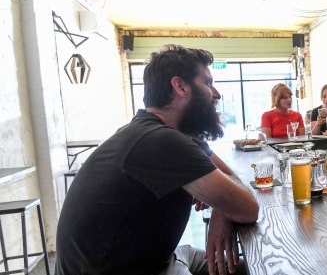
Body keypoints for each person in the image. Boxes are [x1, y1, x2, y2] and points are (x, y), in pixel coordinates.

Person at [55, 45, 259, 275]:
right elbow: (248, 208)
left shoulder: (170, 134)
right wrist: (227, 203)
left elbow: (231, 180)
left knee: (248, 268)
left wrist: (221, 209)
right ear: (180, 86)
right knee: (257, 267)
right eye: (208, 83)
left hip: (161, 258)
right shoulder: (160, 141)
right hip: (126, 270)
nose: (217, 93)